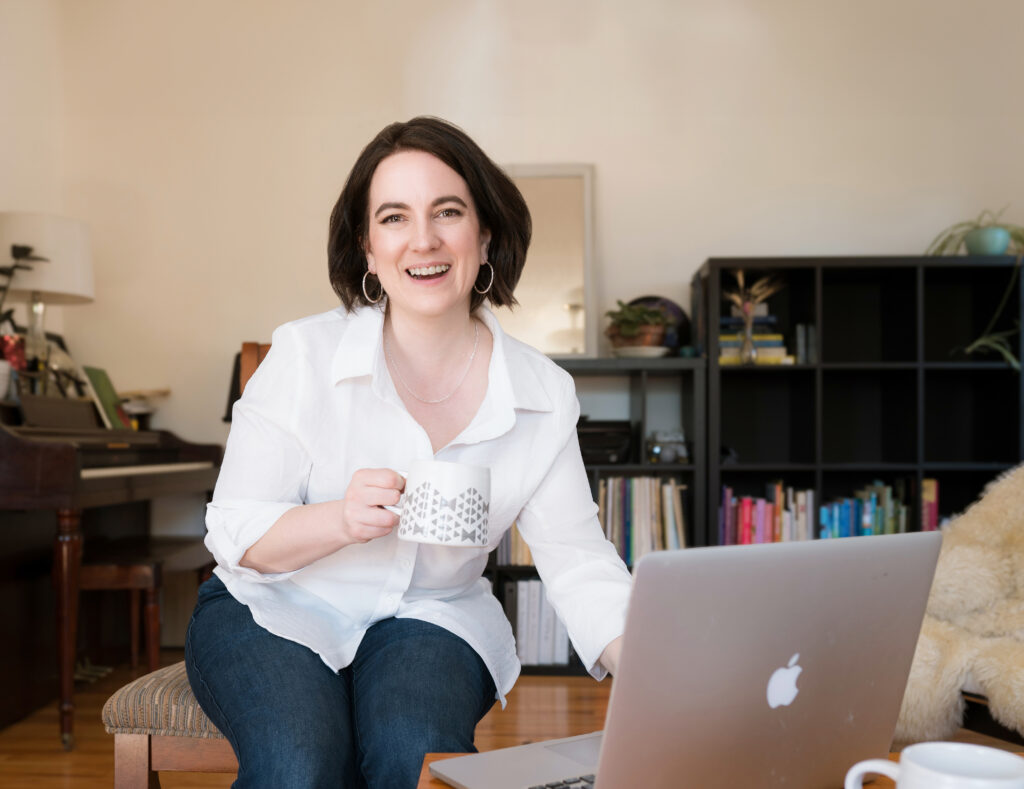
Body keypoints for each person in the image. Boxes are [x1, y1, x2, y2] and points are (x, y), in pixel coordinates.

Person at [185, 116, 632, 789]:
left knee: (415, 751)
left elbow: (578, 561)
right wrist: (339, 519)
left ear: (484, 234)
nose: (423, 239)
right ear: (367, 248)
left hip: (432, 613)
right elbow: (235, 530)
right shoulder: (304, 355)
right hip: (272, 604)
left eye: (447, 211)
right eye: (394, 217)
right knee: (299, 763)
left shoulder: (542, 393)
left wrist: (660, 675)